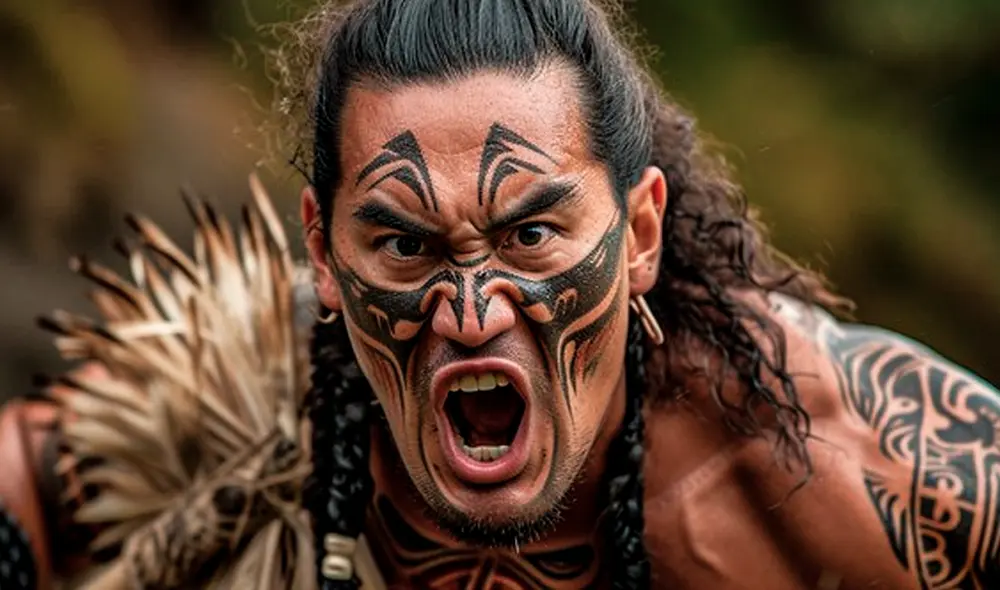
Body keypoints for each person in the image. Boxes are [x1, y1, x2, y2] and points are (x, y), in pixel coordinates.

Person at [1, 0, 998, 588]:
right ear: (324, 251)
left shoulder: (828, 463)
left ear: (639, 234)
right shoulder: (221, 423)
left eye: (529, 235)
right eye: (404, 244)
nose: (472, 314)